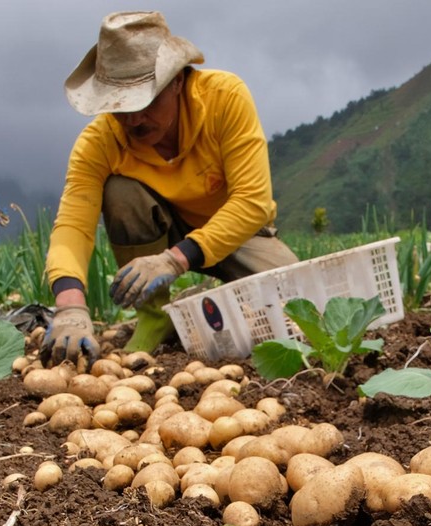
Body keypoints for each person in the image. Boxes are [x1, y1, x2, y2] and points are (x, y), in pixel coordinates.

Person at [41, 10, 298, 366]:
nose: (134, 119)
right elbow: (73, 226)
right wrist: (70, 304)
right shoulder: (99, 143)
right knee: (121, 191)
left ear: (177, 81)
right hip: (160, 228)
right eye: (120, 107)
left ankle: (212, 303)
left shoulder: (224, 98)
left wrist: (174, 259)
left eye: (145, 102)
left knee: (295, 296)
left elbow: (252, 201)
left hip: (234, 232)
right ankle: (156, 316)